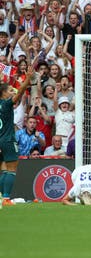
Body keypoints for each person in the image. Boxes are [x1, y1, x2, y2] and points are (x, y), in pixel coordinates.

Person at [0, 67, 34, 207]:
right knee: (12, 169)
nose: (11, 92)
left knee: (4, 168)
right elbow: (19, 92)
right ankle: (7, 198)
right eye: (9, 90)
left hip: (1, 139)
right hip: (8, 139)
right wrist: (27, 79)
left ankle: (2, 197)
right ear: (3, 93)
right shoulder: (7, 104)